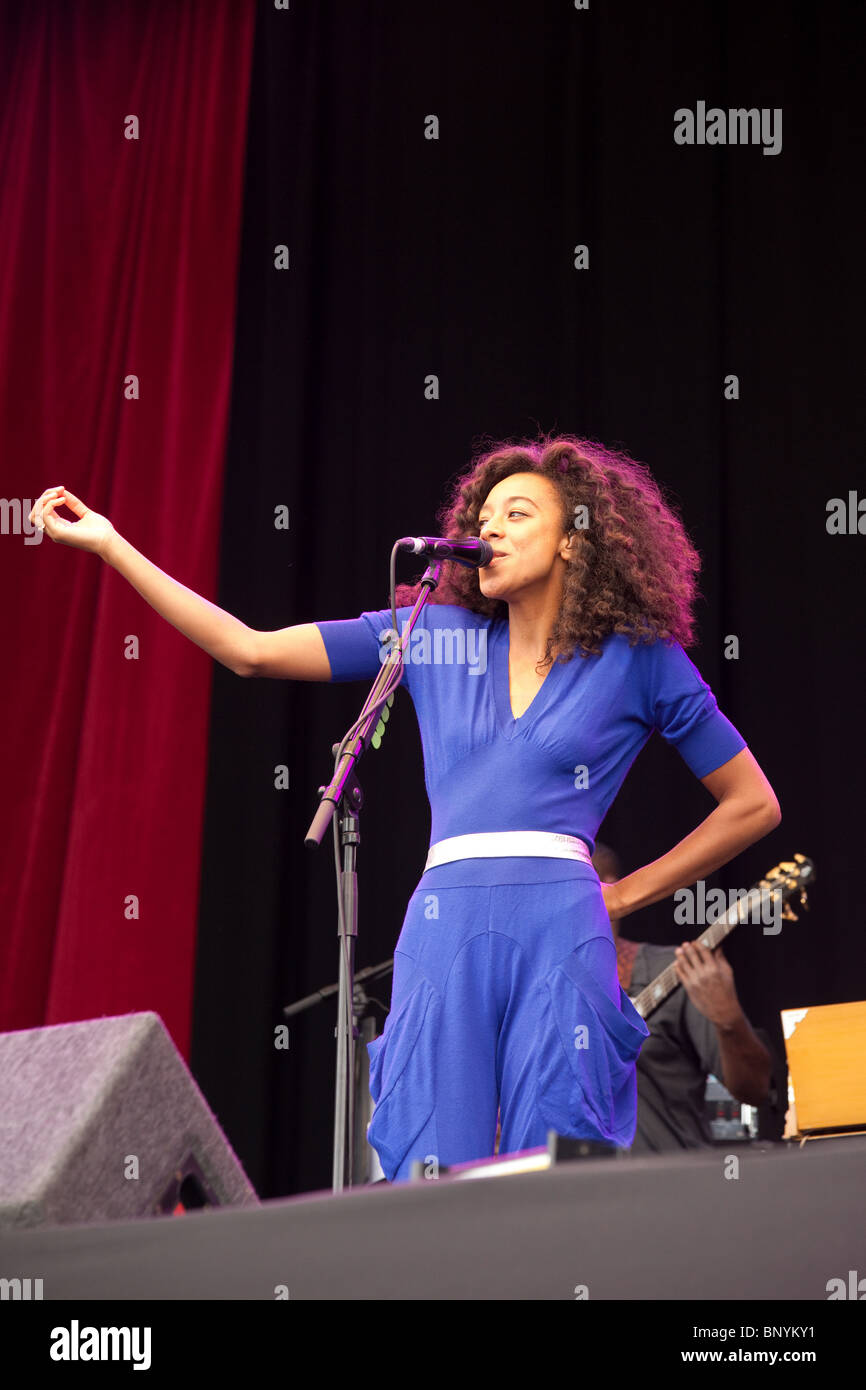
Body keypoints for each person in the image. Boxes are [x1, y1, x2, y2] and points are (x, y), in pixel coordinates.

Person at [30, 434, 781, 1184]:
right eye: (483, 516)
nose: (489, 529)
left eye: (518, 514)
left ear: (576, 544)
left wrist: (627, 891)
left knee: (559, 1166)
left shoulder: (638, 658)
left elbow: (752, 804)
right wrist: (110, 545)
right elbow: (249, 651)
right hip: (441, 923)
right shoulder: (429, 634)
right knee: (431, 1163)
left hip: (562, 925)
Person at [591, 842, 772, 1152]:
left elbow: (754, 1090)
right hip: (565, 1194)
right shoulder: (534, 990)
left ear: (605, 883)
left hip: (669, 1189)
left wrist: (729, 1021)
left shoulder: (669, 972)